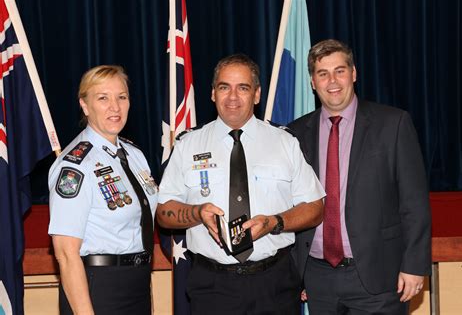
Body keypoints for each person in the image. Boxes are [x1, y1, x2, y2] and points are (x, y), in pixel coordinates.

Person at [157, 54, 325, 315]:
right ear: (213, 94)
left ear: (257, 95)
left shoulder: (285, 142)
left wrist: (274, 222)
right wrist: (197, 213)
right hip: (212, 286)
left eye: (243, 88)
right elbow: (164, 213)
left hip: (274, 284)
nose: (232, 97)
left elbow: (315, 206)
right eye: (224, 87)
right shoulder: (188, 144)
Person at [288, 39, 432, 314]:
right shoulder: (295, 134)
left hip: (378, 277)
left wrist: (414, 266)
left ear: (354, 74)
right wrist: (298, 272)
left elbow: (414, 203)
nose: (333, 81)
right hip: (318, 279)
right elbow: (291, 205)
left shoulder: (393, 124)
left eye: (340, 71)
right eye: (323, 73)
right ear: (312, 82)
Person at [48, 65, 159, 314]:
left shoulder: (135, 155)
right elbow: (66, 255)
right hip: (97, 287)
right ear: (85, 106)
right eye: (103, 98)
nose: (115, 107)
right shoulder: (75, 165)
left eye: (122, 97)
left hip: (137, 283)